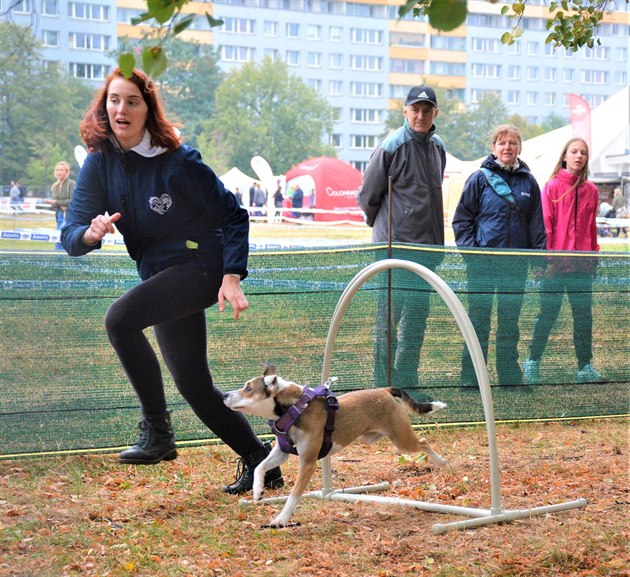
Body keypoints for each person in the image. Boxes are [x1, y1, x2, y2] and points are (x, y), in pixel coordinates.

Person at [60, 68, 283, 495]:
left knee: (120, 320)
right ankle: (261, 462)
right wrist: (89, 234)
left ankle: (157, 433)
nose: (121, 109)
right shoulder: (100, 163)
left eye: (132, 101)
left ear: (148, 109)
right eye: (114, 100)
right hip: (163, 275)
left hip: (201, 266)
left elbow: (233, 215)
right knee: (194, 385)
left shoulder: (180, 161)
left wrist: (232, 275)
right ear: (104, 106)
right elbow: (71, 234)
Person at [357, 85, 446, 398]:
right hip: (393, 250)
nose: (420, 115)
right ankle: (384, 388)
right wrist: (380, 228)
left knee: (416, 322)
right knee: (388, 323)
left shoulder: (438, 147)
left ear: (435, 113)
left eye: (426, 109)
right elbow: (368, 194)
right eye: (415, 109)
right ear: (405, 112)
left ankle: (408, 383)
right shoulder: (391, 146)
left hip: (427, 250)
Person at [452, 124, 547, 389]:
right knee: (478, 322)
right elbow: (462, 221)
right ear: (494, 147)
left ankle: (509, 378)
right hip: (482, 265)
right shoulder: (478, 179)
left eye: (513, 143)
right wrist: (472, 254)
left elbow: (536, 225)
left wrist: (539, 260)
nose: (507, 148)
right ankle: (472, 380)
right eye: (502, 143)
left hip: (515, 266)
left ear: (519, 148)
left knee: (509, 323)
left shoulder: (529, 182)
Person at [522, 138, 604, 384]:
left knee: (583, 317)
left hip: (582, 266)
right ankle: (532, 363)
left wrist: (593, 255)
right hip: (555, 267)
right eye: (574, 152)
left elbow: (591, 227)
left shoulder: (592, 190)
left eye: (583, 153)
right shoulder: (552, 187)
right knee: (547, 315)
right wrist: (546, 260)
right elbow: (545, 225)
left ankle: (584, 368)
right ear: (565, 156)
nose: (579, 156)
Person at [48, 161, 76, 249]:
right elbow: (53, 204)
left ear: (67, 172)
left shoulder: (72, 184)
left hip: (69, 216)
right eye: (57, 170)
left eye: (61, 170)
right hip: (59, 215)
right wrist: (59, 204)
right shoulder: (54, 186)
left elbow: (73, 201)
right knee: (58, 239)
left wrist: (57, 202)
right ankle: (58, 261)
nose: (59, 172)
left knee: (63, 240)